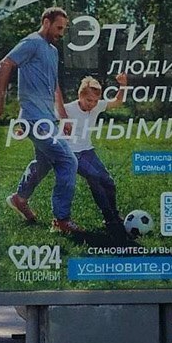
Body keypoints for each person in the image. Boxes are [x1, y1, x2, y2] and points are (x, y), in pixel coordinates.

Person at [0, 7, 77, 235]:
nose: (61, 33)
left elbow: (54, 85)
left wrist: (63, 116)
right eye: (59, 28)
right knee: (68, 161)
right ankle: (61, 219)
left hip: (47, 117)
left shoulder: (51, 50)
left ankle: (20, 198)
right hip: (34, 117)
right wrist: (0, 98)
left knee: (46, 161)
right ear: (46, 22)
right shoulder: (31, 42)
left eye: (64, 29)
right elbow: (6, 63)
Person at [55, 74, 129, 235]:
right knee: (94, 177)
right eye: (89, 100)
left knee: (108, 181)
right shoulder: (67, 109)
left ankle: (114, 214)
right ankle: (109, 217)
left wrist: (123, 85)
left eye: (95, 101)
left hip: (87, 150)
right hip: (71, 153)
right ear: (80, 96)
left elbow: (118, 101)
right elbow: (45, 118)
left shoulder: (96, 106)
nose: (92, 104)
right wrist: (24, 128)